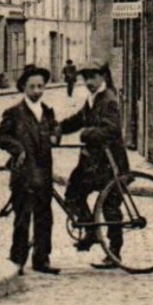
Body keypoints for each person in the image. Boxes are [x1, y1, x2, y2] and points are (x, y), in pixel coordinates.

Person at [57, 59, 129, 268]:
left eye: (92, 77)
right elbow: (79, 119)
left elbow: (112, 129)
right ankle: (91, 231)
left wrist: (87, 133)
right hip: (93, 163)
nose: (88, 81)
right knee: (73, 194)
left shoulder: (108, 100)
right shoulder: (93, 99)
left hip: (110, 163)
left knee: (110, 206)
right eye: (85, 78)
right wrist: (58, 128)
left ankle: (114, 253)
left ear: (103, 77)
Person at [0, 64, 61, 275]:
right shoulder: (13, 113)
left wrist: (55, 136)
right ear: (23, 87)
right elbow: (2, 137)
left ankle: (42, 259)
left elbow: (54, 133)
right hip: (23, 172)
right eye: (32, 86)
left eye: (40, 86)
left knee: (44, 217)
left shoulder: (47, 112)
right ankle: (17, 259)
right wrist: (17, 148)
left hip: (43, 171)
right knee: (23, 217)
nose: (37, 91)